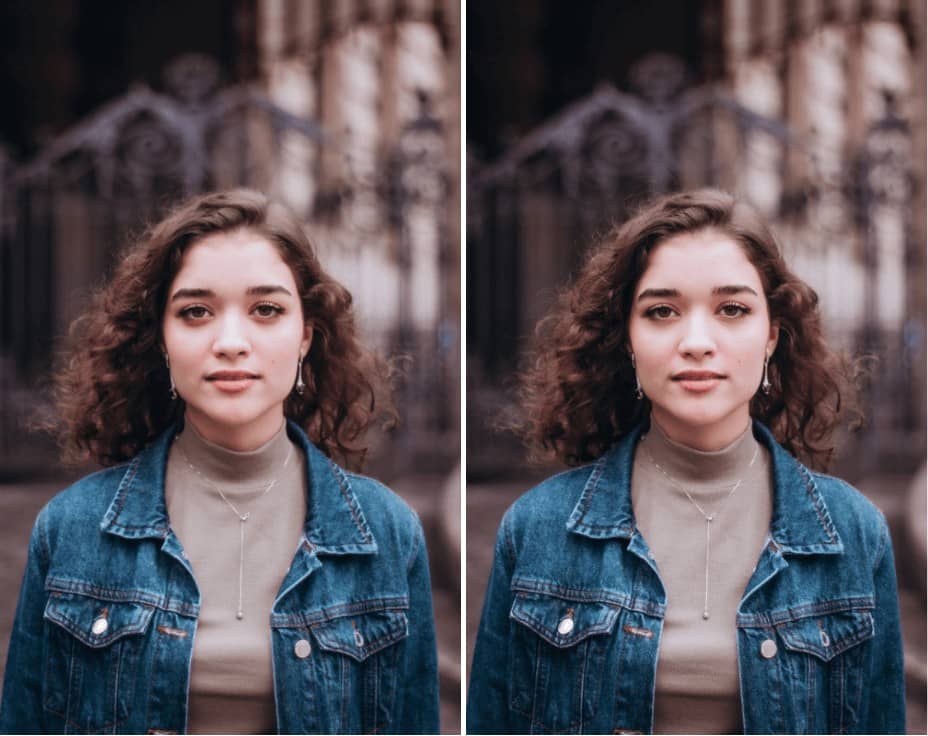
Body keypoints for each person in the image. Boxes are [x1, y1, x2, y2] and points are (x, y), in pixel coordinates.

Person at [0, 189, 439, 735]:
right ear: (162, 337)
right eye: (196, 312)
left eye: (266, 310)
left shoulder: (387, 533)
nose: (231, 341)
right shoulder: (71, 530)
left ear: (305, 336)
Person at [467, 189, 905, 734]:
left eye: (732, 309)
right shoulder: (537, 530)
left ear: (771, 335)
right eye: (662, 311)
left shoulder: (854, 534)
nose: (697, 341)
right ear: (628, 337)